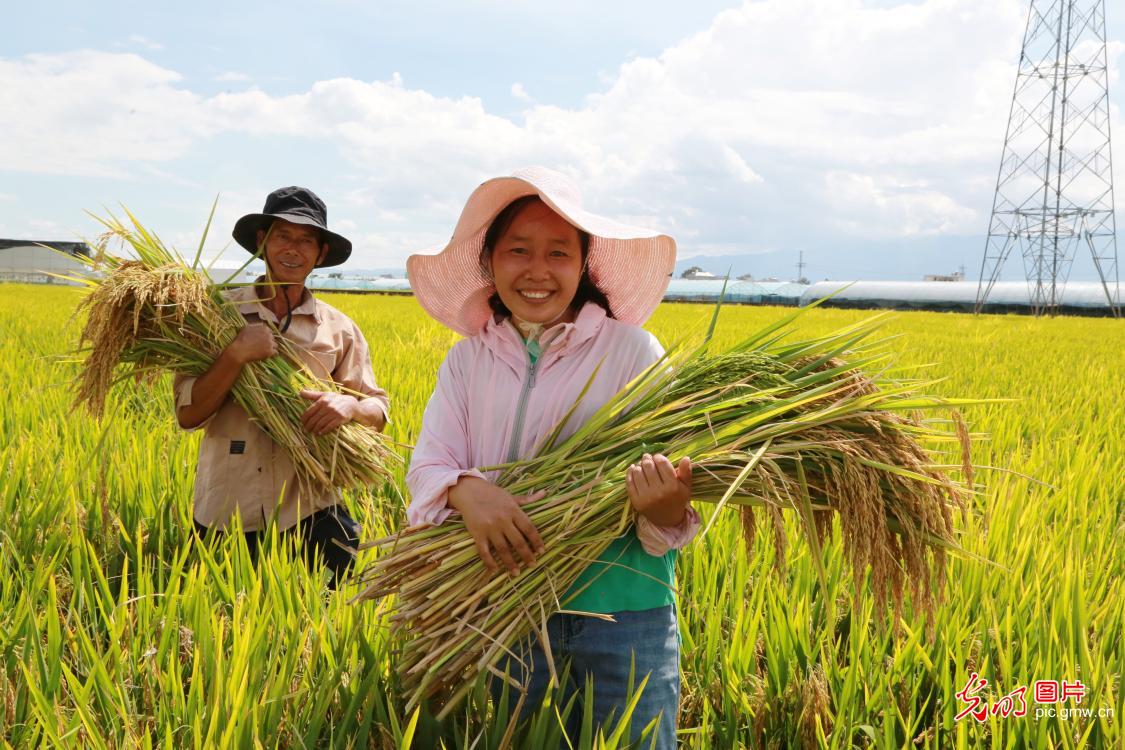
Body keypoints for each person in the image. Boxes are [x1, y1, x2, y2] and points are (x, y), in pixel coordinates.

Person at [405, 167, 699, 747]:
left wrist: (666, 508)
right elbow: (428, 465)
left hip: (625, 617)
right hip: (504, 610)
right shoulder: (467, 362)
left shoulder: (632, 353)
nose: (537, 271)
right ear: (490, 263)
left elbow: (676, 491)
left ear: (583, 264)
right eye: (518, 250)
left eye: (558, 253)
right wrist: (467, 491)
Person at [174, 186, 389, 587]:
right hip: (228, 508)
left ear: (321, 253)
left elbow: (378, 411)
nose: (293, 249)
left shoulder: (339, 329)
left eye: (306, 240)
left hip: (310, 506)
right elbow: (188, 415)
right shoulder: (216, 316)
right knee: (221, 633)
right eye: (283, 236)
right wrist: (235, 353)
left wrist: (349, 406)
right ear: (262, 241)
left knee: (327, 622)